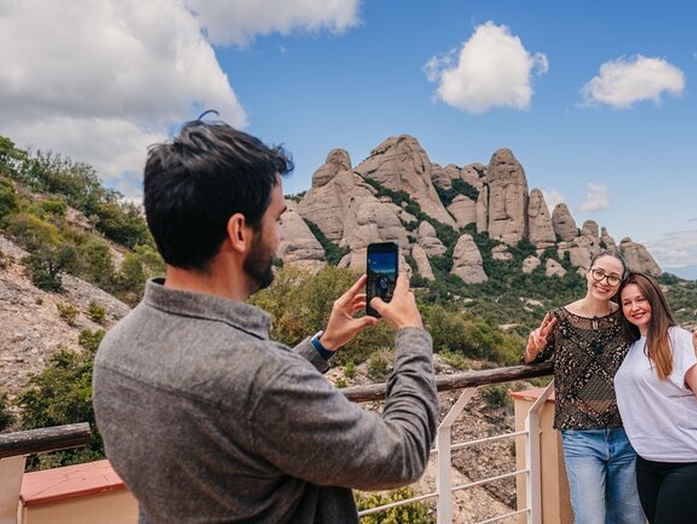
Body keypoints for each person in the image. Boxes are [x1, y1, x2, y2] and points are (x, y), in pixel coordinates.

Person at [91, 117, 439, 524]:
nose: (282, 237)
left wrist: (323, 344)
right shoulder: (261, 380)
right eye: (276, 219)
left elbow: (237, 408)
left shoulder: (116, 350)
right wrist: (411, 336)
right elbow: (402, 455)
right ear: (239, 231)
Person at [522, 250, 645, 524]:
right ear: (588, 273)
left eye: (613, 277)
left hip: (626, 433)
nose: (604, 281)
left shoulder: (626, 319)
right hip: (580, 437)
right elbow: (532, 358)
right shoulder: (560, 319)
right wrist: (533, 349)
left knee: (630, 519)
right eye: (599, 273)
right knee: (590, 519)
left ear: (620, 283)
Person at [615, 272, 697, 524]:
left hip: (693, 462)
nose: (634, 307)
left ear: (655, 300)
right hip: (650, 464)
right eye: (627, 302)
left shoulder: (678, 339)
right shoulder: (633, 346)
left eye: (641, 299)